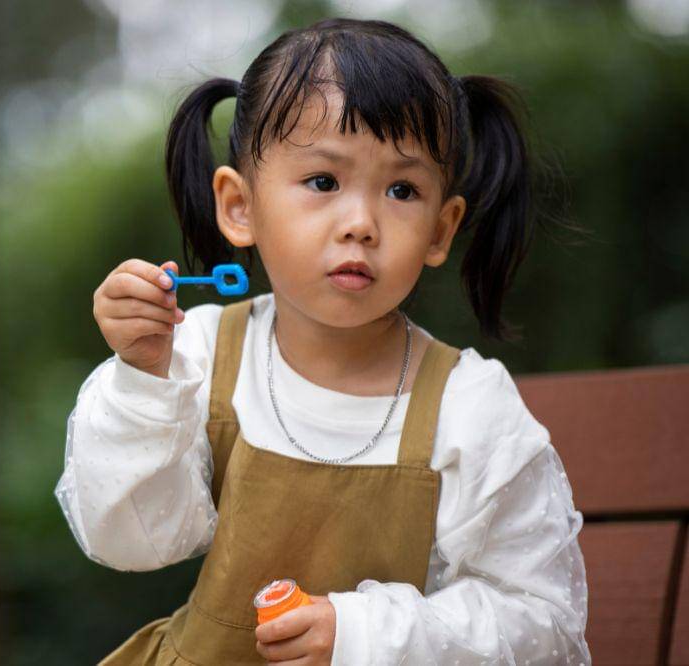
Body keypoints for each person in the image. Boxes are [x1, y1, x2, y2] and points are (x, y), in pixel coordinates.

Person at [55, 16, 591, 666]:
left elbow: (542, 626)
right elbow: (131, 541)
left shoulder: (470, 406)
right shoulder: (195, 352)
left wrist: (363, 634)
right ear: (239, 207)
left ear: (441, 230)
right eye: (323, 182)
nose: (361, 223)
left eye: (402, 190)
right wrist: (142, 378)